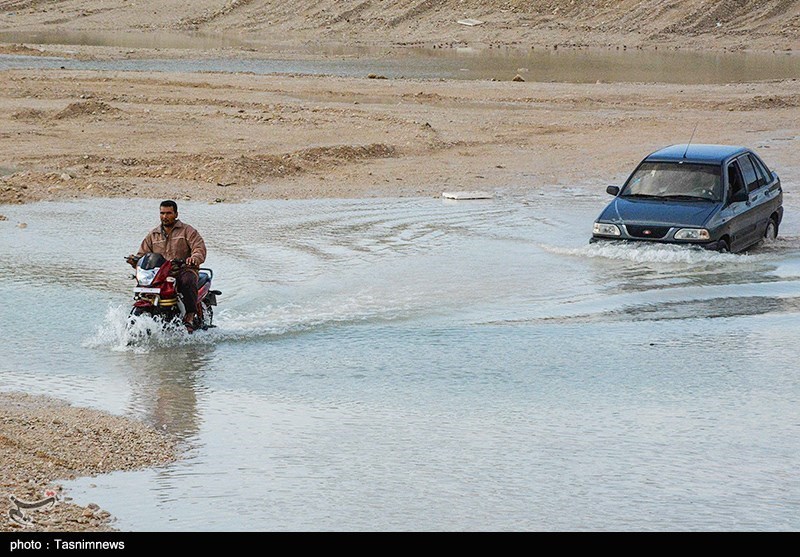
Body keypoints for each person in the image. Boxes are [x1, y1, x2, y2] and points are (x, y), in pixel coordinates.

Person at [127, 200, 207, 330]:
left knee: (187, 281)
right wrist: (135, 260)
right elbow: (143, 255)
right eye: (162, 213)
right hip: (160, 273)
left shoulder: (187, 231)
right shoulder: (153, 235)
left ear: (176, 214)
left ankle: (190, 314)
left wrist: (194, 258)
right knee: (142, 285)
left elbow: (199, 248)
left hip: (183, 269)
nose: (165, 216)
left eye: (168, 213)